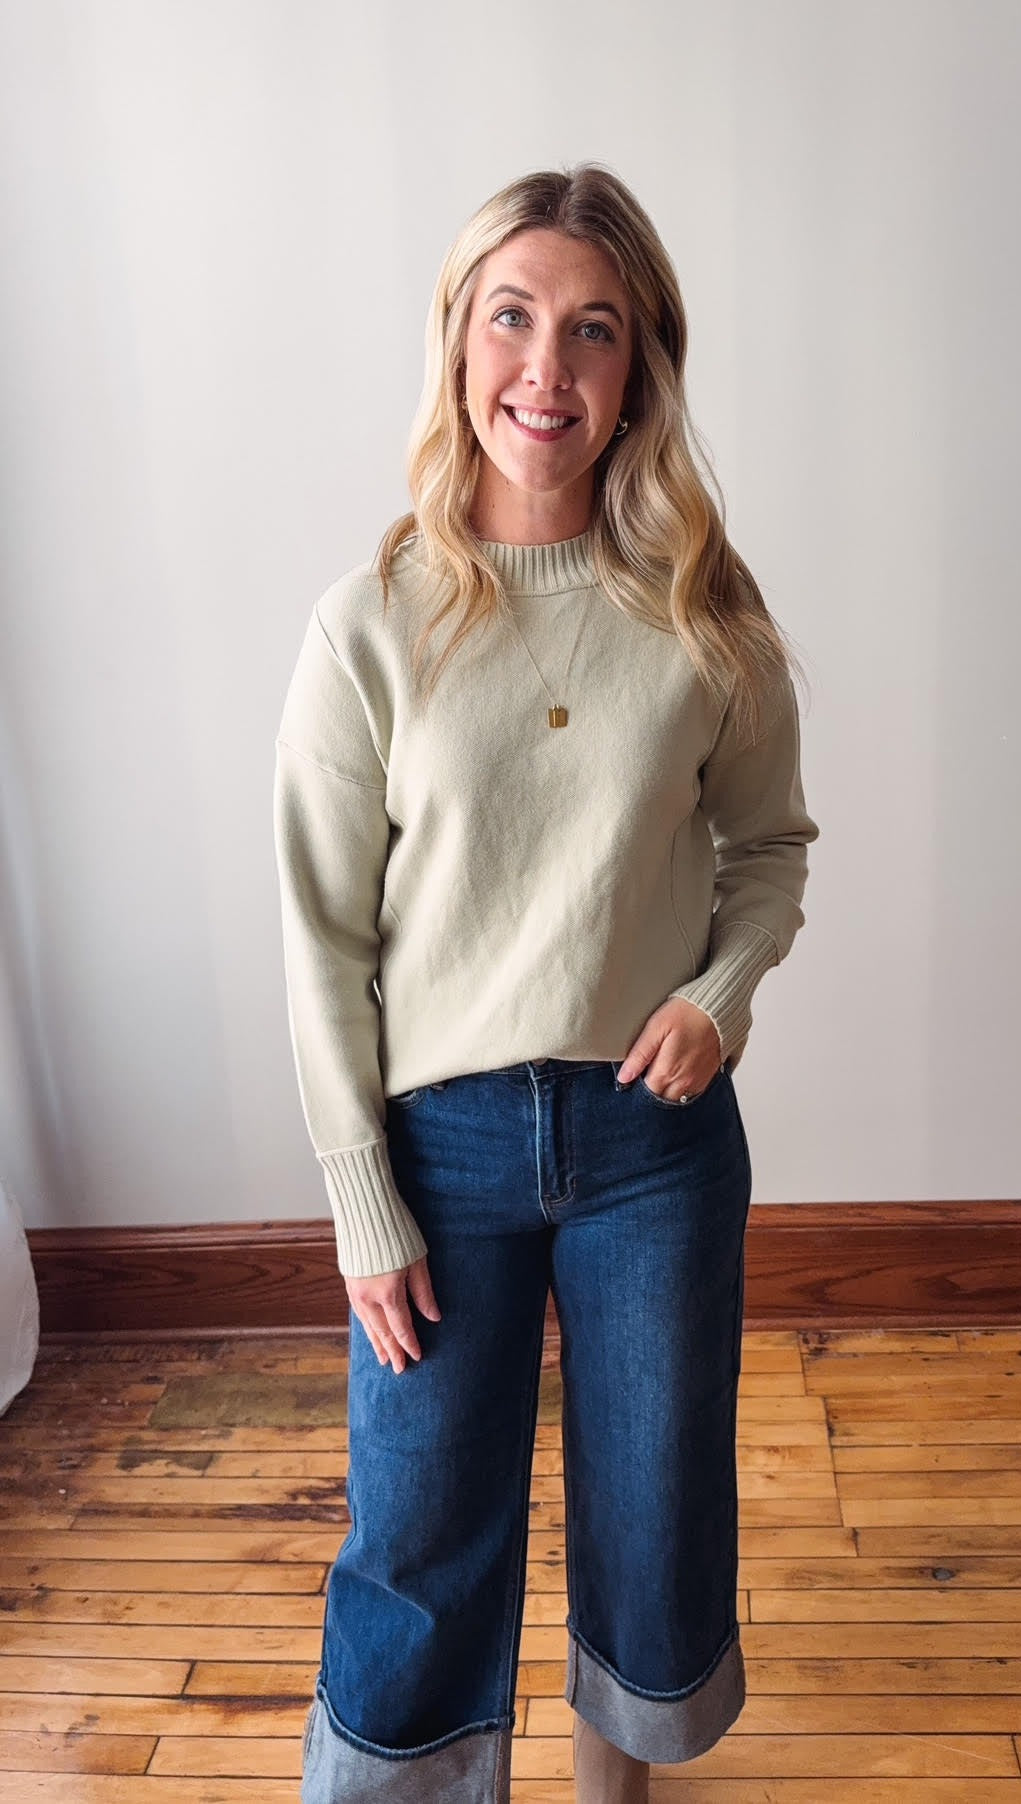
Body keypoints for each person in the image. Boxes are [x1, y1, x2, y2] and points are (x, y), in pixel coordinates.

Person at [273, 161, 819, 1804]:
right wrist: (362, 1198)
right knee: (421, 1532)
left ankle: (618, 1791)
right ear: (457, 343)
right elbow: (321, 934)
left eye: (595, 331)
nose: (548, 370)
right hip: (435, 1157)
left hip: (652, 1149)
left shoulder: (704, 619)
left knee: (656, 1514)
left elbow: (771, 852)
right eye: (512, 318)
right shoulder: (369, 623)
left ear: (642, 365)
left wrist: (717, 997)